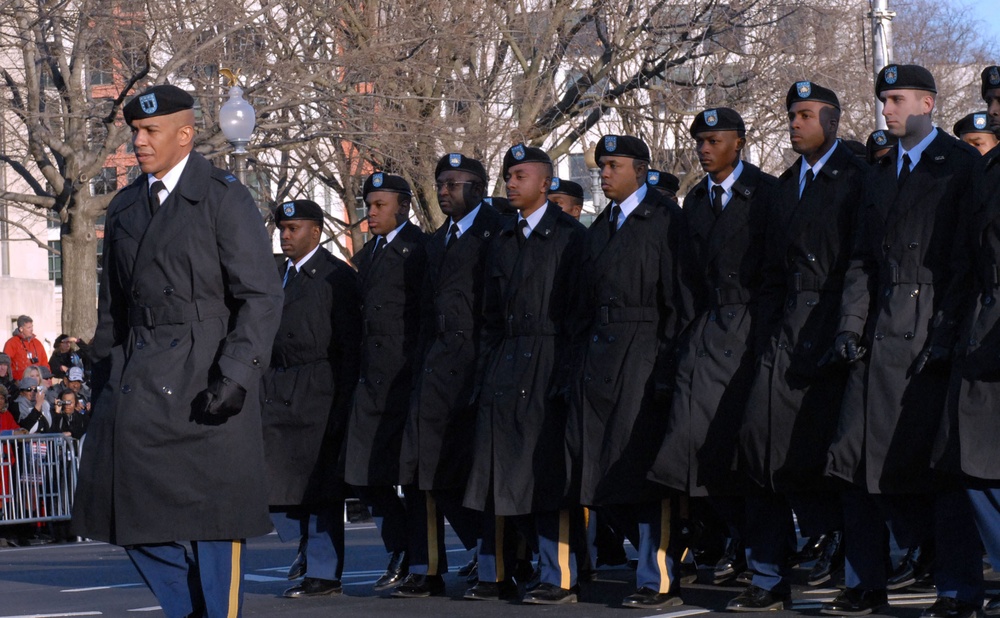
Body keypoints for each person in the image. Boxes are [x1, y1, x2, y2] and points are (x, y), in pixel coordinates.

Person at [71, 84, 283, 618]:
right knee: (123, 512)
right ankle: (190, 609)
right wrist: (103, 384)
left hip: (207, 376)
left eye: (150, 131)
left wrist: (236, 374)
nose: (139, 142)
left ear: (184, 135)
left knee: (215, 523)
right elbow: (112, 310)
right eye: (135, 131)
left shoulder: (223, 195)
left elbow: (260, 294)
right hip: (141, 379)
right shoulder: (124, 206)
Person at [821, 64, 983, 618]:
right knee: (855, 461)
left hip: (930, 331)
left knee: (939, 472)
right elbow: (863, 262)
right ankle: (865, 583)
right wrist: (849, 326)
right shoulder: (880, 173)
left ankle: (957, 588)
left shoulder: (960, 167)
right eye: (882, 100)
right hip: (877, 333)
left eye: (896, 100)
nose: (886, 110)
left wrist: (946, 334)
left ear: (928, 104)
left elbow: (967, 262)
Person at [728, 82, 866, 611]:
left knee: (836, 463)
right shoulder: (784, 188)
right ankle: (766, 580)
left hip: (835, 330)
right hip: (784, 335)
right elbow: (768, 271)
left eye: (806, 115)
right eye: (791, 115)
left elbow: (861, 262)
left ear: (831, 120)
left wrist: (849, 328)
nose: (794, 123)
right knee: (759, 453)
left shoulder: (856, 180)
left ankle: (859, 579)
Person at [649, 107, 776, 589]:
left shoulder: (765, 191)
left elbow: (774, 270)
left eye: (714, 140)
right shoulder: (696, 200)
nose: (704, 149)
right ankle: (734, 541)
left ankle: (762, 559)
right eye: (699, 140)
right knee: (692, 449)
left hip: (750, 332)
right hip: (706, 334)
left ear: (738, 142)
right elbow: (686, 280)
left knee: (748, 458)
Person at [569, 133, 691, 609]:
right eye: (601, 166)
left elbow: (680, 298)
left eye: (614, 165)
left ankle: (658, 577)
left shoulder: (663, 218)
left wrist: (670, 362)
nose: (603, 174)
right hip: (601, 360)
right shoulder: (602, 226)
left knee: (644, 470)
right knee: (605, 471)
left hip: (644, 353)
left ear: (640, 170)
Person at [463, 144, 588, 604]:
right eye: (508, 176)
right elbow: (491, 316)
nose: (510, 183)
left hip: (549, 358)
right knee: (501, 468)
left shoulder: (570, 236)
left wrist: (567, 373)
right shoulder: (502, 239)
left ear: (544, 181)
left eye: (520, 175)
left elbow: (578, 314)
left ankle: (561, 575)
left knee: (547, 473)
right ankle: (503, 569)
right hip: (506, 360)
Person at [395, 154, 501, 598]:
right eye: (440, 183)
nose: (443, 191)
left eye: (454, 184)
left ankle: (497, 563)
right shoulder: (437, 243)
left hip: (478, 358)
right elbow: (424, 313)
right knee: (423, 468)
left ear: (478, 187)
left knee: (478, 472)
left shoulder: (497, 231)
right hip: (437, 364)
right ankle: (427, 566)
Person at [261, 199, 362, 599]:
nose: (285, 236)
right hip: (278, 384)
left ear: (316, 232)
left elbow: (349, 346)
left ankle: (323, 570)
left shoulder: (336, 276)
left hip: (319, 387)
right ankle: (302, 542)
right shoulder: (275, 273)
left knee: (320, 489)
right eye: (282, 229)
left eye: (294, 229)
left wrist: (342, 401)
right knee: (274, 480)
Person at [933, 63, 1000, 618]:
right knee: (971, 466)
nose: (996, 109)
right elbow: (965, 259)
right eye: (993, 99)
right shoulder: (988, 170)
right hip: (984, 326)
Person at [344, 172, 429, 593]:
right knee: (363, 473)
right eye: (368, 205)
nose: (370, 213)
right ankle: (400, 546)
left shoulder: (419, 251)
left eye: (379, 205)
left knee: (411, 480)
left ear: (403, 206)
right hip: (371, 382)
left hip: (405, 379)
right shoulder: (370, 253)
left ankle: (420, 561)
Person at [3, 316, 49, 381]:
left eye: (32, 327)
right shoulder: (12, 343)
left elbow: (45, 363)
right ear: (21, 329)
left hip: (38, 381)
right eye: (29, 327)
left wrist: (46, 378)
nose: (32, 329)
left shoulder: (37, 343)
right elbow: (5, 364)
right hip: (19, 381)